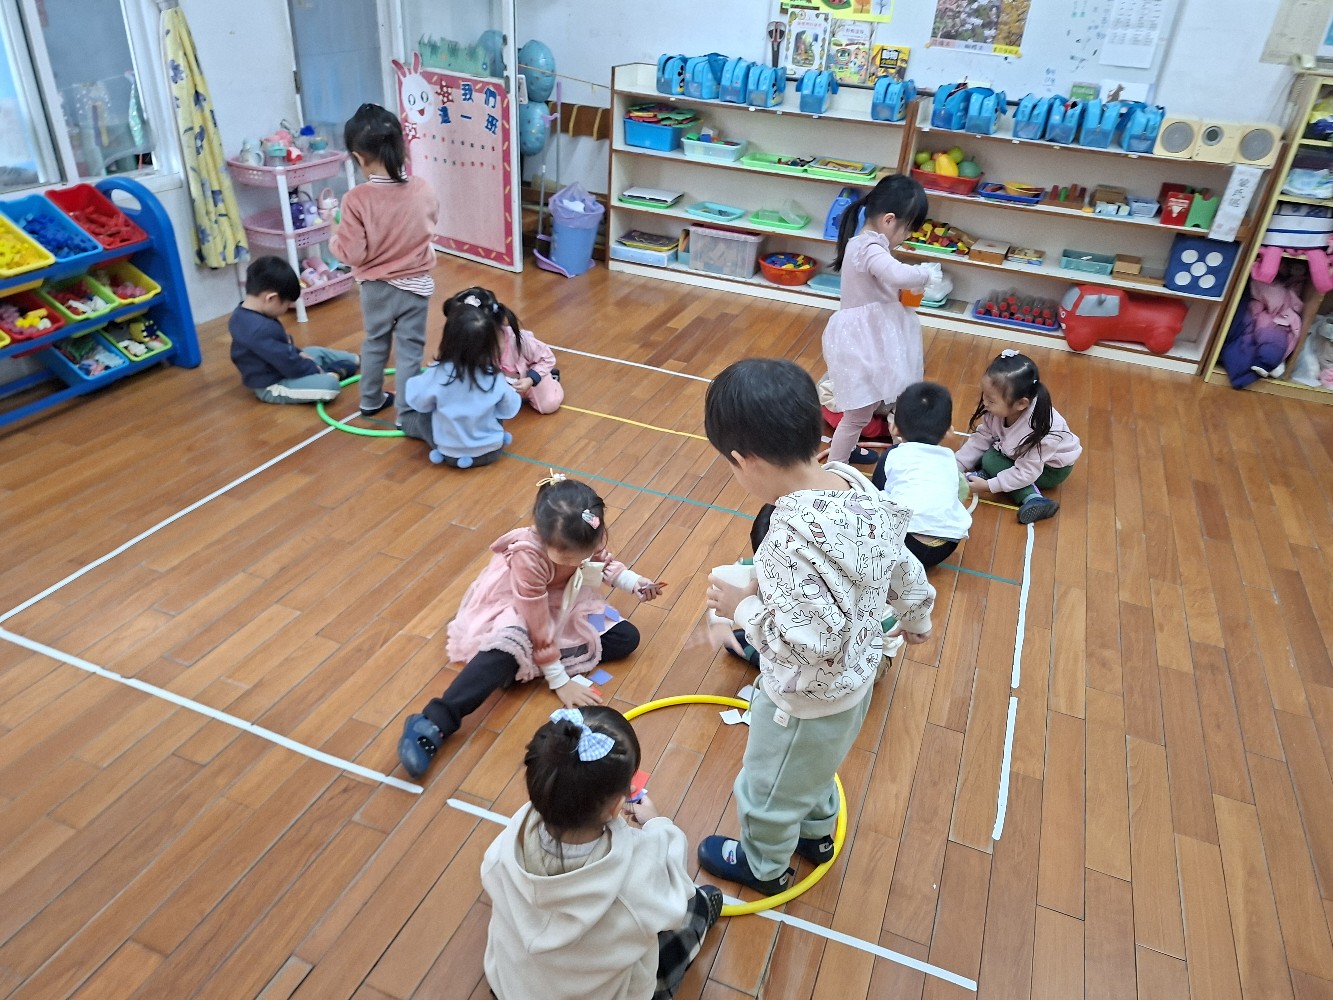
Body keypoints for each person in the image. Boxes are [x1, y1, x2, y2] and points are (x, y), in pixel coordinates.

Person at [698, 358, 935, 894]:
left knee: (768, 788)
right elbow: (897, 561)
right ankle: (816, 836)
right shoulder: (853, 483)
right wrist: (916, 614)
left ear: (744, 461)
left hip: (802, 703)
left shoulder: (784, 539)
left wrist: (742, 608)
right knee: (813, 770)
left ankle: (764, 866)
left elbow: (810, 645)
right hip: (855, 685)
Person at [398, 475, 666, 779]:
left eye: (583, 553)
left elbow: (602, 562)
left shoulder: (586, 531)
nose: (579, 560)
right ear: (542, 536)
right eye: (568, 557)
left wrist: (635, 583)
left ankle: (522, 667)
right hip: (523, 608)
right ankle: (433, 722)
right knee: (507, 649)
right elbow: (537, 624)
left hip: (565, 602)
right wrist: (559, 680)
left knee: (626, 638)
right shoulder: (528, 555)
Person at [481, 706, 723, 1000]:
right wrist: (659, 824)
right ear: (616, 806)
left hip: (511, 988)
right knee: (698, 905)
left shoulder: (506, 843)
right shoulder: (636, 875)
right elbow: (675, 890)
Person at [330, 103, 439, 424]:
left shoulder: (356, 199)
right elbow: (430, 224)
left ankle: (370, 400)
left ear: (359, 157)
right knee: (410, 351)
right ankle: (406, 413)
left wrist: (334, 236)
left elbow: (352, 254)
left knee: (375, 343)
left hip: (375, 289)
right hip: (415, 287)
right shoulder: (423, 189)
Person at [822, 173, 936, 465]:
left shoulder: (866, 245)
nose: (906, 237)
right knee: (858, 414)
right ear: (888, 220)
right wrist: (925, 274)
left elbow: (885, 282)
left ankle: (855, 452)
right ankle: (836, 467)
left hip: (874, 339)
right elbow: (896, 274)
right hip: (866, 343)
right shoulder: (868, 247)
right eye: (906, 229)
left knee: (878, 404)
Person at [956, 349, 1082, 524]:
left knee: (991, 460)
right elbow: (982, 437)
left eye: (991, 400)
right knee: (988, 455)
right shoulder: (999, 409)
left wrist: (989, 486)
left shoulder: (1042, 430)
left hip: (1051, 469)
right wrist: (956, 465)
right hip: (1022, 454)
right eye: (984, 394)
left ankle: (1033, 498)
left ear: (1021, 403)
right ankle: (991, 474)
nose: (985, 403)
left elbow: (1028, 471)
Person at [400, 292, 521, 468]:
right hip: (492, 451)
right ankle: (485, 438)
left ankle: (440, 442)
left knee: (419, 415)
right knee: (495, 406)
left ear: (448, 340)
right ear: (490, 345)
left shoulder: (438, 373)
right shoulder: (494, 376)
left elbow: (417, 399)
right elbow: (509, 409)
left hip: (450, 454)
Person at [227, 255, 359, 404]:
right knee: (330, 386)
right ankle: (331, 373)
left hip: (282, 365)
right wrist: (314, 369)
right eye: (286, 304)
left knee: (313, 351)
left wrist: (299, 353)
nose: (286, 309)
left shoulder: (241, 314)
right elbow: (286, 362)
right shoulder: (259, 330)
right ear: (271, 299)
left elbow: (282, 348)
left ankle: (354, 359)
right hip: (273, 384)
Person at [870, 381, 972, 568]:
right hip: (945, 546)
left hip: (904, 546)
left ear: (894, 428)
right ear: (949, 431)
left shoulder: (893, 454)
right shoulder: (950, 458)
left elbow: (874, 495)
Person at [452, 286, 565, 414]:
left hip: (529, 380)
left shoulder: (519, 341)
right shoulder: (472, 345)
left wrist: (531, 379)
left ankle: (551, 379)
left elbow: (547, 357)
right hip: (503, 383)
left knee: (548, 405)